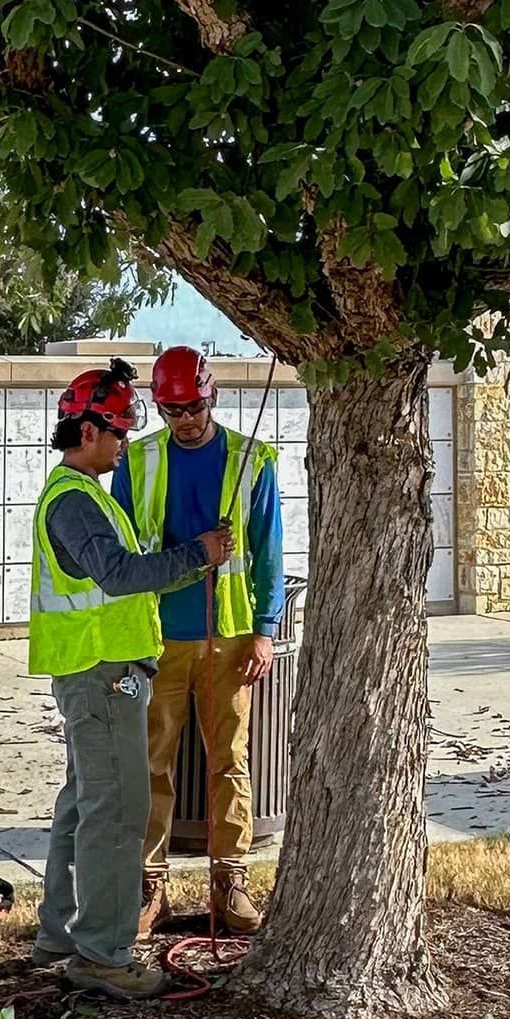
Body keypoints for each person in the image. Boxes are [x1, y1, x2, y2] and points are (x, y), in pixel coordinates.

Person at [28, 357, 233, 999]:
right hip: (102, 676)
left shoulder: (85, 495)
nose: (124, 444)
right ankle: (104, 956)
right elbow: (119, 576)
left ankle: (59, 934)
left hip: (95, 673)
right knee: (119, 812)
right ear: (85, 431)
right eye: (117, 432)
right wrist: (197, 555)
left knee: (82, 805)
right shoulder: (76, 503)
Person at [113, 346, 285, 937]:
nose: (184, 418)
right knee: (151, 764)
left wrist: (266, 630)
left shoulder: (250, 459)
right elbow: (125, 554)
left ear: (211, 395)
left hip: (231, 637)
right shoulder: (136, 464)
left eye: (192, 405)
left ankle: (230, 881)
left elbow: (270, 551)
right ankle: (150, 886)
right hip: (159, 636)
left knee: (229, 760)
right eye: (170, 408)